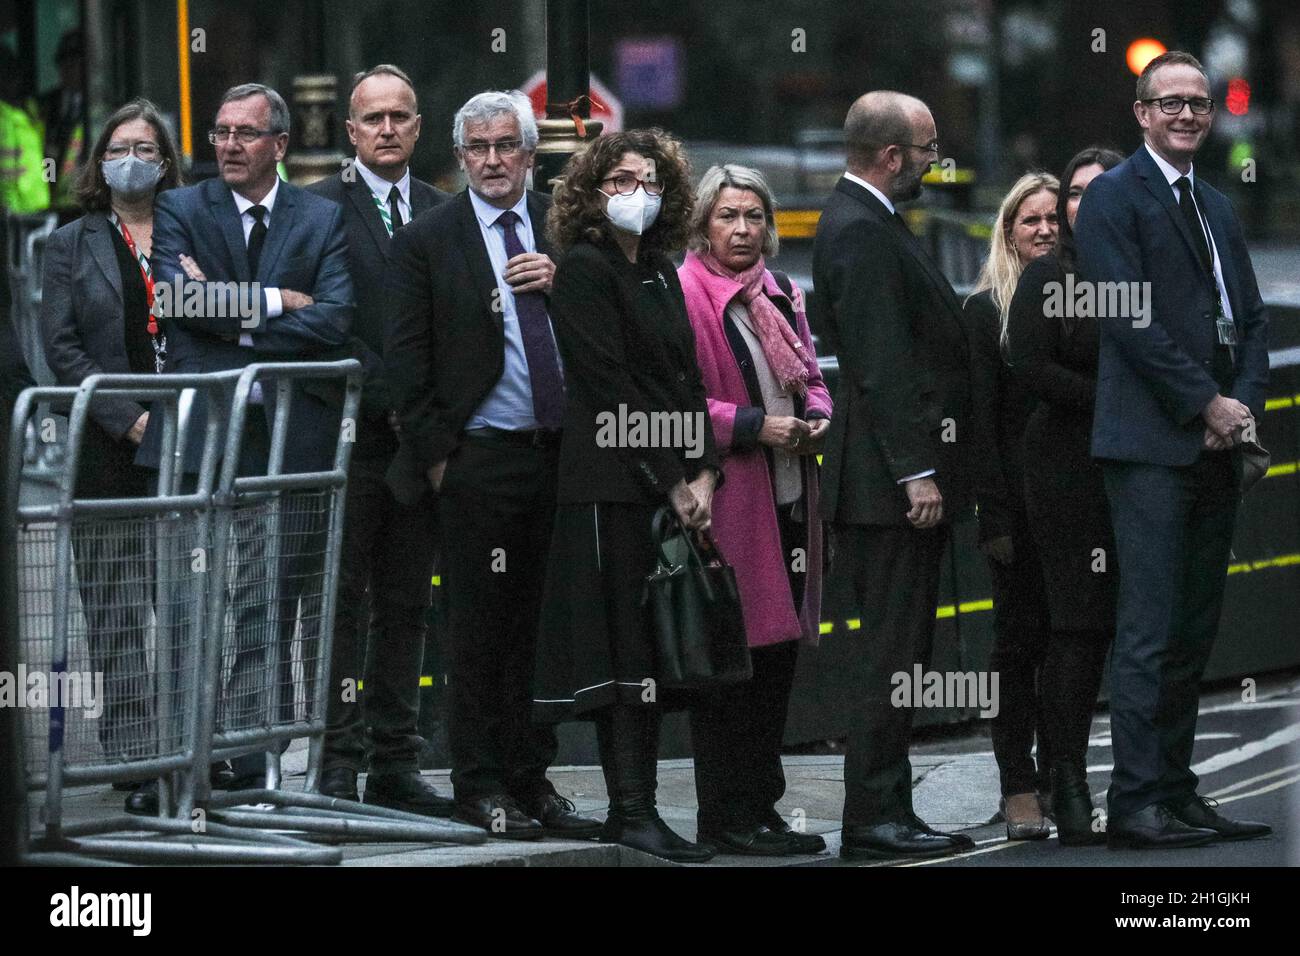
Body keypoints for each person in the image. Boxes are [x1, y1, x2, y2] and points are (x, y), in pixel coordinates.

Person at [385, 90, 599, 841]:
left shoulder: (567, 228)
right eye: (476, 147)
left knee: (543, 630)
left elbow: (610, 333)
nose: (492, 160)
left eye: (506, 145)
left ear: (530, 154)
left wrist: (562, 283)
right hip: (479, 460)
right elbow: (405, 368)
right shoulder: (428, 239)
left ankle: (530, 775)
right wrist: (443, 461)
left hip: (560, 458)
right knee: (478, 629)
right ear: (460, 156)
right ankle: (477, 783)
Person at [1075, 51, 1271, 848]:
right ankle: (1136, 802)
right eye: (1171, 103)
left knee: (1194, 631)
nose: (1188, 114)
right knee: (1149, 633)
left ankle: (1180, 791)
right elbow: (1129, 322)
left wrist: (1242, 411)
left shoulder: (1218, 205)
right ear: (1141, 113)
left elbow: (1253, 322)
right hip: (1151, 447)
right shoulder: (1113, 200)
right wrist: (1207, 403)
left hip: (1217, 446)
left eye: (1198, 103)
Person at [143, 82, 355, 790]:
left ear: (280, 146)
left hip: (284, 438)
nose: (228, 146)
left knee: (268, 599)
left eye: (245, 134)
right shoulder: (181, 206)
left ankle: (252, 755)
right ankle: (182, 757)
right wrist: (272, 301)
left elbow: (333, 319)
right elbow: (175, 299)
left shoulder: (318, 217)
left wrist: (226, 312)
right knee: (189, 600)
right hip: (204, 433)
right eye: (220, 132)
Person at [533, 128, 721, 863]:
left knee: (654, 649)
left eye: (646, 181)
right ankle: (631, 810)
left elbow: (686, 379)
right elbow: (608, 387)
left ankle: (639, 810)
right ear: (592, 191)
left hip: (665, 480)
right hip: (609, 486)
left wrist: (703, 471)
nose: (633, 194)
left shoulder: (664, 270)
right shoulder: (583, 269)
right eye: (619, 181)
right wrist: (673, 480)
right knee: (621, 654)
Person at [813, 91, 976, 860]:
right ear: (890, 156)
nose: (934, 161)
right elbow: (882, 364)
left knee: (904, 656)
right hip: (886, 488)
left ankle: (890, 811)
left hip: (885, 482)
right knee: (890, 657)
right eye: (927, 148)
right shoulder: (862, 231)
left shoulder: (867, 222)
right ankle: (873, 818)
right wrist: (917, 472)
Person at [306, 65, 451, 815]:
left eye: (400, 116)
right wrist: (397, 397)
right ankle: (338, 759)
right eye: (373, 118)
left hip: (419, 449)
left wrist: (425, 421)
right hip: (351, 441)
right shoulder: (318, 211)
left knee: (407, 603)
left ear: (418, 127)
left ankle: (397, 759)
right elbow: (323, 322)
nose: (387, 129)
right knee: (341, 603)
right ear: (351, 131)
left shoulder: (443, 210)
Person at [677, 163, 831, 856]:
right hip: (735, 502)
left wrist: (817, 414)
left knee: (776, 664)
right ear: (702, 224)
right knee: (732, 667)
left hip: (793, 495)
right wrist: (753, 426)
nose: (743, 229)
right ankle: (727, 817)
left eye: (754, 217)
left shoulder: (779, 289)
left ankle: (762, 810)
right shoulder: (687, 292)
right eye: (727, 217)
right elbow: (676, 401)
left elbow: (812, 373)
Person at [39, 99, 183, 814]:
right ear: (101, 161)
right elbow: (61, 350)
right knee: (119, 609)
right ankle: (133, 754)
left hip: (192, 443)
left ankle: (191, 751)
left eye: (147, 148)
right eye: (121, 146)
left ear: (165, 162)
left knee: (187, 601)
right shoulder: (71, 243)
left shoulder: (193, 231)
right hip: (107, 448)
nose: (134, 158)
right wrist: (129, 423)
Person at [1005, 148, 1122, 846]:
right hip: (1066, 473)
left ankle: (1148, 782)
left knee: (1131, 631)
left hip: (1141, 469)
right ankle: (1066, 782)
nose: (1081, 205)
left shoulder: (1145, 271)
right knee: (1075, 628)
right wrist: (1118, 400)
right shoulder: (1054, 275)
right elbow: (1031, 365)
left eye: (1097, 191)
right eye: (1073, 193)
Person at [963, 171, 1059, 840]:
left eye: (1056, 218)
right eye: (1031, 220)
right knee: (1017, 648)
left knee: (1072, 649)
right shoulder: (983, 311)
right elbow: (977, 423)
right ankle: (1017, 786)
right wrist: (994, 517)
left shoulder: (1086, 301)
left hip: (1078, 509)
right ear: (1008, 231)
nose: (1046, 229)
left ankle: (1062, 779)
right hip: (1016, 512)